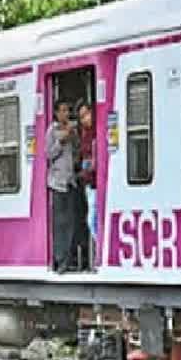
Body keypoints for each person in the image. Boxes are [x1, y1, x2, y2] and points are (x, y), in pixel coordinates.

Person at [46, 99, 76, 273]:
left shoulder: (71, 129)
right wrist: (61, 142)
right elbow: (48, 154)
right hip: (57, 183)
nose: (66, 114)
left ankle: (68, 258)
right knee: (59, 223)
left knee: (70, 222)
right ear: (56, 113)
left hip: (70, 182)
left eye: (67, 110)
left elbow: (76, 151)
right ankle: (59, 259)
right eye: (62, 110)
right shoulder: (52, 130)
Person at [76, 101, 97, 269]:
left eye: (86, 115)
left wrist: (88, 167)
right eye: (81, 117)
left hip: (96, 182)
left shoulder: (96, 132)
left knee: (92, 220)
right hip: (88, 183)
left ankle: (100, 252)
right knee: (91, 218)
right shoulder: (84, 134)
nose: (84, 119)